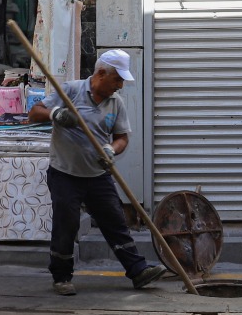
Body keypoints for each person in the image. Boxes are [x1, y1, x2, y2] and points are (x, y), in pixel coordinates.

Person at [29, 49, 166, 296]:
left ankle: (138, 270)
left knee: (115, 221)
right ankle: (61, 277)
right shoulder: (70, 91)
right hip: (65, 173)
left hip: (97, 175)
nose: (120, 85)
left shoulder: (116, 103)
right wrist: (55, 114)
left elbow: (122, 137)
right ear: (101, 74)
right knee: (66, 225)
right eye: (117, 79)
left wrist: (111, 150)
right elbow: (33, 113)